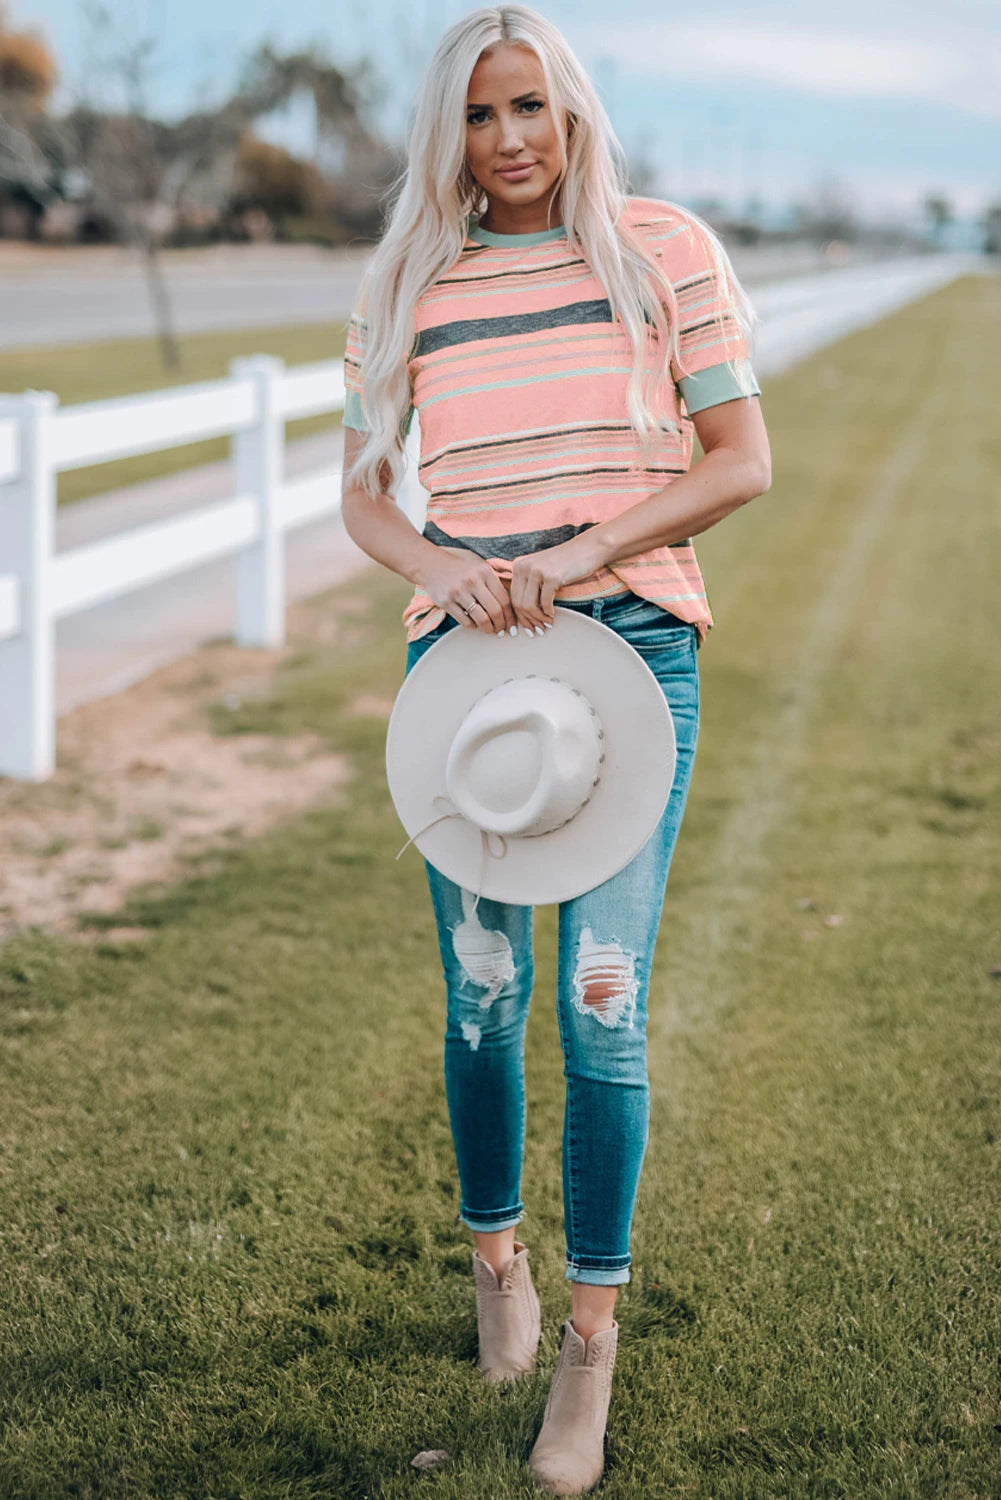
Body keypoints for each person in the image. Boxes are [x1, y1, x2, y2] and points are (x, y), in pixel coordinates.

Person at [340, 6, 771, 1492]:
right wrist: (444, 568)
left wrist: (582, 549)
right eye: (477, 115)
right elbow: (367, 500)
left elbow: (740, 462)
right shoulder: (408, 280)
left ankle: (588, 1344)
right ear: (443, 136)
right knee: (480, 992)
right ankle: (495, 1264)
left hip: (628, 654)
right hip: (462, 677)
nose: (509, 140)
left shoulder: (661, 250)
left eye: (530, 106)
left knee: (598, 1000)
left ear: (570, 109)